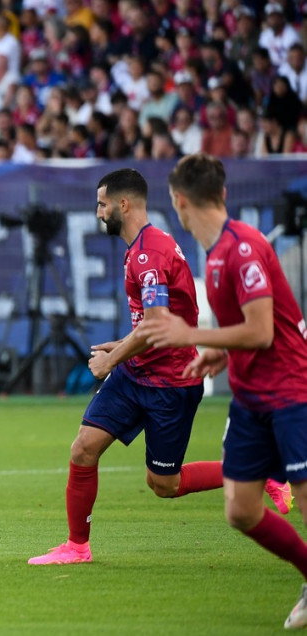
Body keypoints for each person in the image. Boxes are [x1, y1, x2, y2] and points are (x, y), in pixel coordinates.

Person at [27, 168, 290, 565]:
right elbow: (153, 321)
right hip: (136, 374)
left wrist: (109, 360)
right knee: (83, 449)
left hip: (171, 383)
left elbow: (156, 322)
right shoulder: (143, 247)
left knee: (165, 484)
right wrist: (122, 347)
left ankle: (261, 469)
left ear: (123, 204)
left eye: (101, 204)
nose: (98, 213)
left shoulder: (149, 253)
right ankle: (77, 547)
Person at [138, 154, 307, 629]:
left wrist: (192, 336)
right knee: (241, 508)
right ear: (224, 193)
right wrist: (219, 353)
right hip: (251, 396)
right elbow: (245, 333)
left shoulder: (244, 248)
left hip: (290, 389)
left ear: (179, 201)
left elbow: (261, 333)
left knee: (305, 496)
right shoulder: (215, 257)